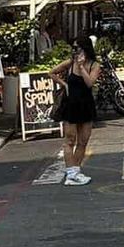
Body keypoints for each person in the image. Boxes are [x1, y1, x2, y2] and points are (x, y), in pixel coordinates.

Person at [50, 36, 101, 187]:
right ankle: (71, 174)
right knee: (69, 140)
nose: (75, 51)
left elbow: (89, 82)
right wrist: (64, 84)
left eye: (77, 48)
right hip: (71, 104)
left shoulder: (94, 65)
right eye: (73, 48)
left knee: (83, 141)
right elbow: (52, 72)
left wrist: (82, 67)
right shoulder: (70, 63)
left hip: (86, 105)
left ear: (85, 48)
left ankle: (75, 172)